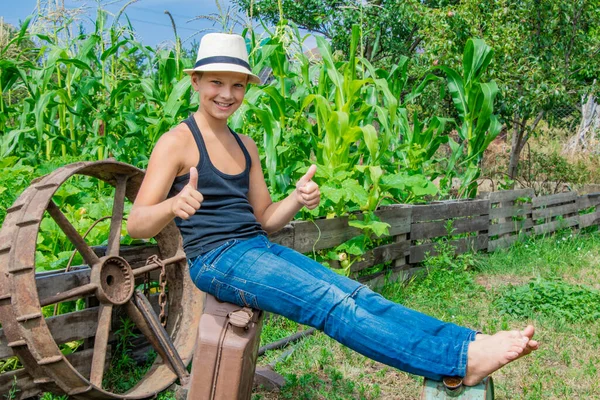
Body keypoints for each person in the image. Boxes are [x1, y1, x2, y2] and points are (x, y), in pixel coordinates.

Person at [127, 32, 538, 386]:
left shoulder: (245, 144)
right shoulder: (177, 142)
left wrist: (296, 199)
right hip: (216, 260)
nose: (227, 94)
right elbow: (137, 225)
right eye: (216, 82)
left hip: (254, 248)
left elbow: (265, 220)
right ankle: (458, 364)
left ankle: (464, 344)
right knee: (330, 303)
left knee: (354, 292)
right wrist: (173, 205)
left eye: (237, 86)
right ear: (196, 81)